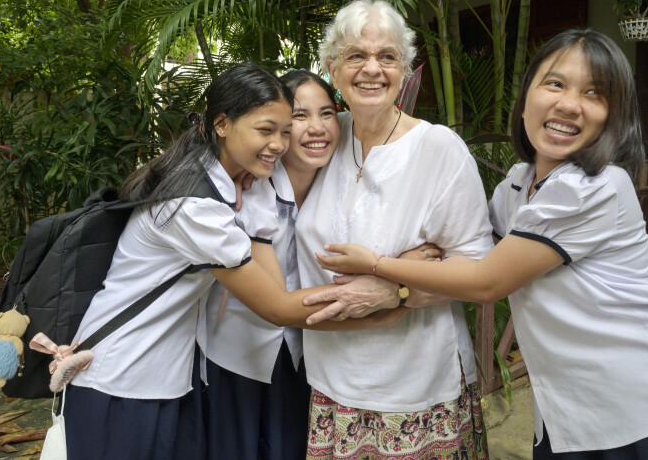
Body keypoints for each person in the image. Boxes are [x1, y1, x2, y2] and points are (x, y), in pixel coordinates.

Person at [311, 28, 648, 459]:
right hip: (573, 407)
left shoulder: (596, 188)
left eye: (594, 93)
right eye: (555, 84)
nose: (569, 104)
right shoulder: (517, 185)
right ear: (525, 100)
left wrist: (379, 265)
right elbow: (468, 249)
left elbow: (485, 280)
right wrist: (419, 263)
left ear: (613, 116)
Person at [63, 63, 405, 460]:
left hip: (163, 377)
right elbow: (277, 307)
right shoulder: (196, 207)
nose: (278, 144)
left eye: (284, 131)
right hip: (121, 378)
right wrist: (388, 299)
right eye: (266, 130)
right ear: (222, 124)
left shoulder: (212, 177)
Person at [295, 0, 491, 459]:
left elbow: (477, 270)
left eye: (387, 56)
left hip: (417, 387)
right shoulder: (324, 137)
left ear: (404, 70)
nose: (372, 69)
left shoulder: (438, 148)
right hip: (332, 383)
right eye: (356, 55)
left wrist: (395, 290)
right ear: (332, 69)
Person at [202, 70, 341, 460]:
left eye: (327, 113)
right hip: (235, 352)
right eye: (299, 116)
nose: (316, 128)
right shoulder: (246, 190)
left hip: (305, 350)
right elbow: (276, 302)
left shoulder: (343, 182)